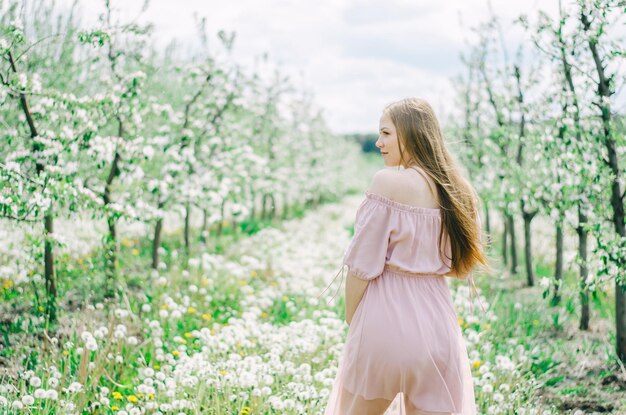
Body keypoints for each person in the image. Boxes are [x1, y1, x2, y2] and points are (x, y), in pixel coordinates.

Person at [320, 97, 490, 415]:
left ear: (410, 135)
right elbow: (458, 268)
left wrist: (353, 320)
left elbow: (361, 266)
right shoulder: (459, 191)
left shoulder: (387, 184)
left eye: (385, 133)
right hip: (439, 329)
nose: (378, 142)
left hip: (383, 323)